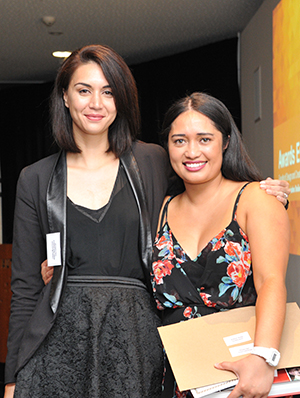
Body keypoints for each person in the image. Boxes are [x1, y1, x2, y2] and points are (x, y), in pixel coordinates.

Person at [4, 43, 289, 398]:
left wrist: (265, 189)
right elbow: (25, 291)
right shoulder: (35, 178)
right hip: (57, 345)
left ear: (121, 99)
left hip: (137, 344)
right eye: (83, 90)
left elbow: (206, 185)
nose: (96, 103)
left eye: (108, 91)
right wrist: (12, 377)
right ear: (64, 96)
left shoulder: (152, 162)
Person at [151, 92, 290, 398]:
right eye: (179, 141)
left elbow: (271, 282)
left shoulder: (255, 198)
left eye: (204, 139)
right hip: (174, 375)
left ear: (225, 142)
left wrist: (263, 358)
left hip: (242, 371)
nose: (191, 152)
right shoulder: (158, 209)